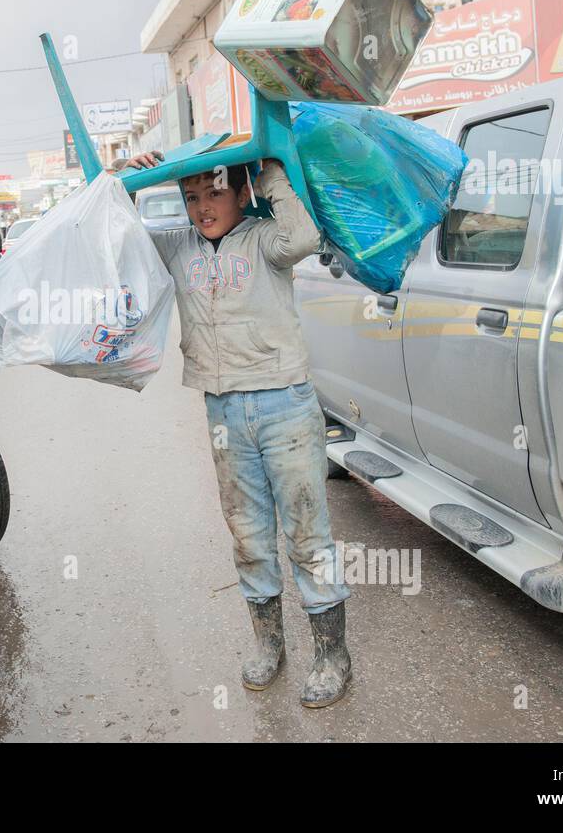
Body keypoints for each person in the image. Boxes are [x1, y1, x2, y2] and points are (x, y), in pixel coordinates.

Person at [111, 150, 353, 707]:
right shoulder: (177, 249)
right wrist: (125, 177)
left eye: (213, 193)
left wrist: (267, 166)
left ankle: (332, 653)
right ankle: (269, 644)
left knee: (306, 531)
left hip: (285, 405)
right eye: (191, 197)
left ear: (241, 193)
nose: (201, 208)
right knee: (248, 535)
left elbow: (304, 238)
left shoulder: (267, 240)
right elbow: (120, 240)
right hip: (222, 412)